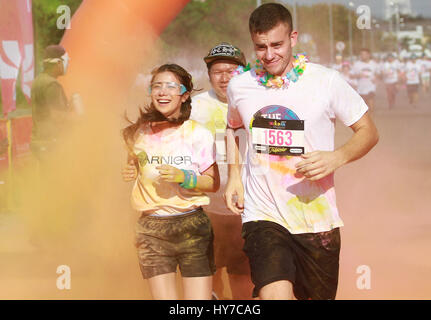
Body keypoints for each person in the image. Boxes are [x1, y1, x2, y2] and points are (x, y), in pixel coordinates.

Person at [224, 3, 379, 300]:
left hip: (316, 220)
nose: (269, 55)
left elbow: (369, 132)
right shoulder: (240, 85)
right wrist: (233, 176)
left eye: (277, 45)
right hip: (263, 214)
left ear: (293, 37)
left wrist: (336, 157)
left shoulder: (326, 81)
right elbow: (231, 127)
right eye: (260, 46)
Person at [121, 63, 220, 300]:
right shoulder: (138, 133)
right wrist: (129, 172)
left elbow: (213, 183)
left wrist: (183, 177)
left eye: (170, 86)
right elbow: (134, 166)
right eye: (157, 86)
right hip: (151, 229)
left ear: (184, 95)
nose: (162, 92)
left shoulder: (198, 133)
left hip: (191, 227)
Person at [190, 42, 253, 300]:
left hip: (249, 208)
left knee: (244, 276)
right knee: (209, 273)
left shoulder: (257, 102)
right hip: (206, 208)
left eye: (231, 70)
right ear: (208, 75)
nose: (225, 77)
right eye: (217, 71)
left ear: (244, 72)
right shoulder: (193, 107)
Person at [30, 45, 78, 163]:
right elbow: (58, 116)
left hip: (39, 140)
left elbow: (47, 111)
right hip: (51, 143)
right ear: (57, 63)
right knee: (57, 179)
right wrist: (79, 119)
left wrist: (68, 107)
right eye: (65, 61)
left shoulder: (38, 80)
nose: (67, 65)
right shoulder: (52, 84)